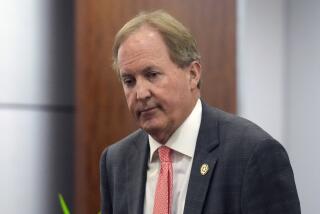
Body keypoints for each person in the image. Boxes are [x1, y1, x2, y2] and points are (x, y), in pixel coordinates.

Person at [100, 10, 300, 214]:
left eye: (152, 75)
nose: (140, 93)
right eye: (129, 81)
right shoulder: (116, 161)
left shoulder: (252, 154)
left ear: (192, 74)